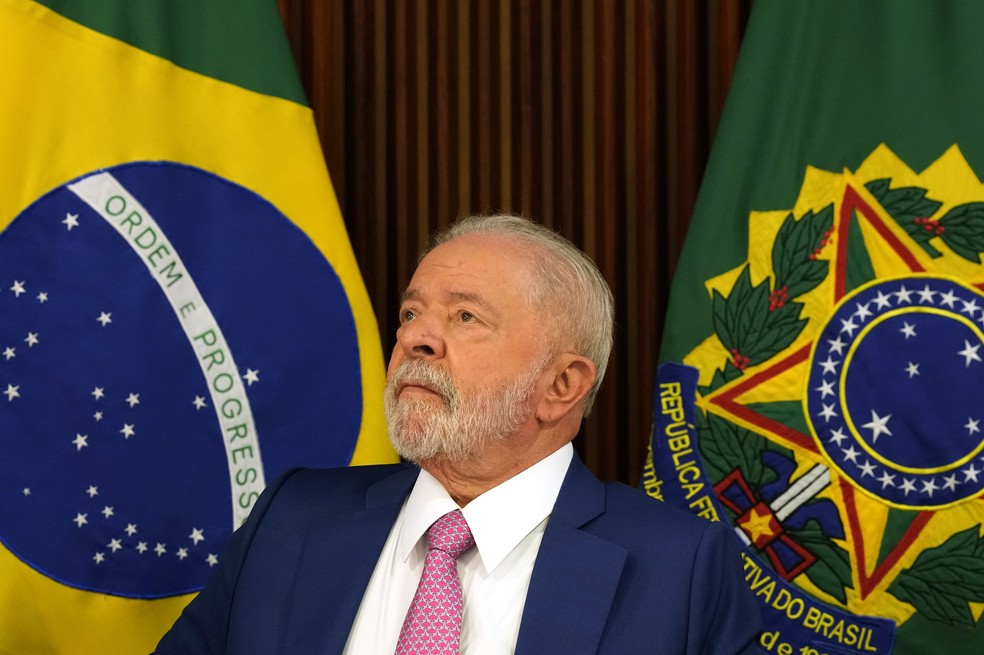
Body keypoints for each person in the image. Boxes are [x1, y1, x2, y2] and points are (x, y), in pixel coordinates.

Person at [154, 214, 762, 654]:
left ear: (561, 386)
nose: (416, 338)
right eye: (411, 313)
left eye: (465, 317)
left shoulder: (681, 568)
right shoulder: (290, 521)